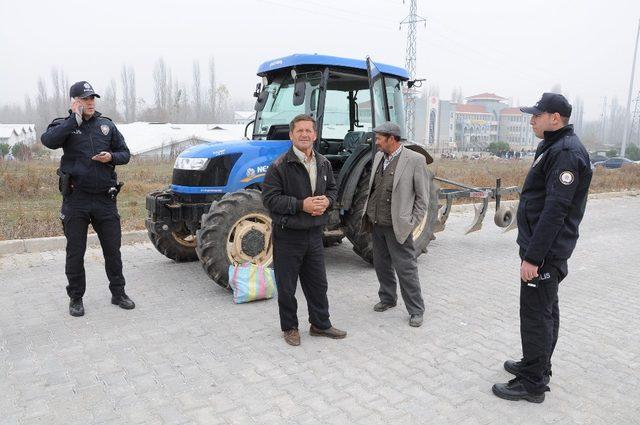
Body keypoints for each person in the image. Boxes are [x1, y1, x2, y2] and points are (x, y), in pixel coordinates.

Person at [492, 93, 593, 403]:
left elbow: (555, 210)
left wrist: (533, 257)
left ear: (555, 118)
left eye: (537, 115)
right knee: (545, 311)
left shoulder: (565, 152)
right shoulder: (552, 146)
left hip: (545, 252)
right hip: (543, 247)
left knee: (536, 315)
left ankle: (533, 384)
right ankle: (536, 364)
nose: (532, 119)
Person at [41, 81, 134, 317]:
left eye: (93, 98)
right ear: (75, 102)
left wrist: (111, 156)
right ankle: (76, 298)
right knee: (75, 252)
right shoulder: (64, 125)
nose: (91, 102)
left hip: (105, 199)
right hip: (76, 200)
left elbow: (125, 154)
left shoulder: (106, 125)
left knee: (113, 250)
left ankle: (118, 292)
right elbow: (48, 141)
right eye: (85, 99)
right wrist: (74, 119)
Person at [262, 114, 347, 346]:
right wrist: (302, 205)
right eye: (299, 131)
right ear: (291, 135)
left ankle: (320, 324)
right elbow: (270, 200)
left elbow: (332, 189)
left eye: (308, 130)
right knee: (287, 287)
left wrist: (327, 202)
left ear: (315, 135)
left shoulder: (324, 163)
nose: (304, 134)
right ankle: (290, 327)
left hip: (314, 234)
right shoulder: (279, 166)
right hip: (288, 234)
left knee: (318, 284)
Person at [362, 121, 428, 327]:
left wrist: (410, 223)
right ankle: (388, 298)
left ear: (392, 139)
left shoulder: (415, 160)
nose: (376, 142)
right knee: (381, 264)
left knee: (405, 268)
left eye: (379, 138)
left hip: (397, 226)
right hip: (376, 222)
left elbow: (422, 199)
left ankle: (416, 310)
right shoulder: (380, 157)